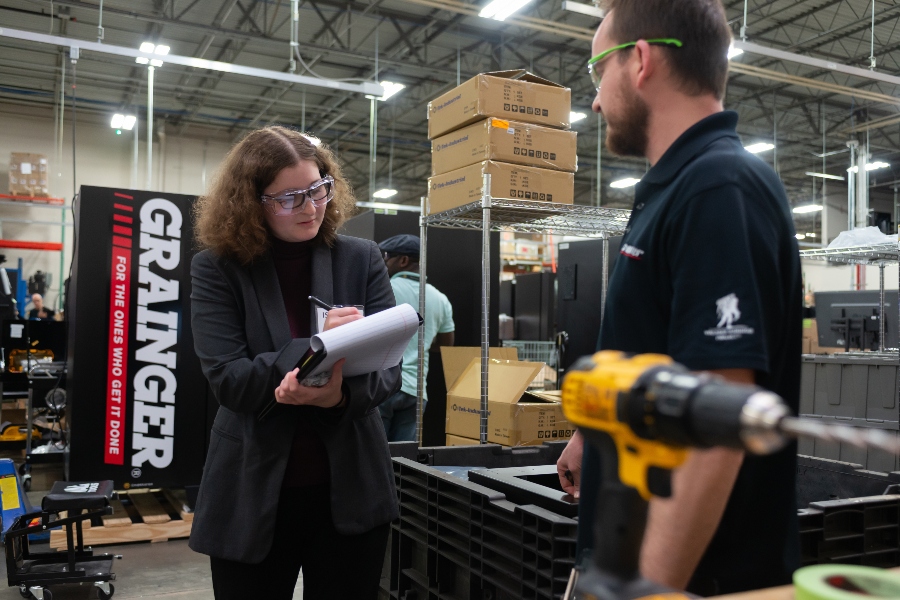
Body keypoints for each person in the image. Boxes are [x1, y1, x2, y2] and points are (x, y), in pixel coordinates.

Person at [556, 0, 801, 595]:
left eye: (596, 73)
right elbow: (661, 351)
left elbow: (717, 424)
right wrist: (596, 432)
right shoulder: (676, 186)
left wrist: (647, 589)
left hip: (698, 575)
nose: (593, 101)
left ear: (639, 61)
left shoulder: (718, 187)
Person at [188, 126, 401, 600]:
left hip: (348, 489)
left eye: (318, 189)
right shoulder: (218, 269)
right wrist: (314, 348)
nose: (309, 207)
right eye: (289, 198)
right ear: (251, 202)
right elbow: (229, 380)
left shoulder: (360, 259)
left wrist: (339, 396)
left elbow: (389, 370)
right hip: (254, 489)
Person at [377, 234, 455, 441]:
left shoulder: (384, 290)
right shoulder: (441, 298)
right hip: (417, 390)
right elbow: (446, 344)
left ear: (403, 260)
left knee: (376, 457)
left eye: (387, 258)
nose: (383, 263)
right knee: (404, 463)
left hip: (382, 385)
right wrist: (421, 341)